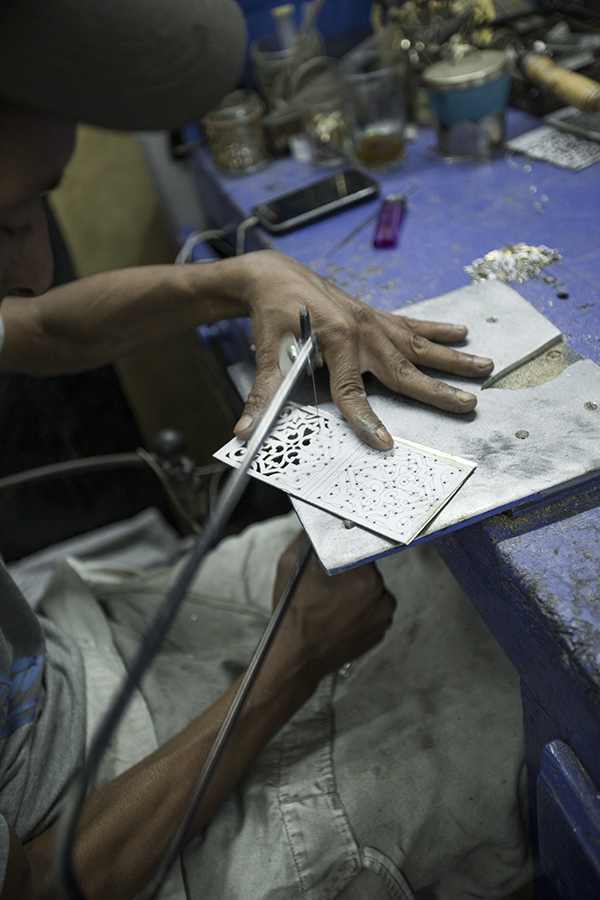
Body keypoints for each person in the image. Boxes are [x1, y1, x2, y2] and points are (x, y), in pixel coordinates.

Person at [0, 1, 531, 899]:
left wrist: (245, 276)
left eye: (33, 210)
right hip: (101, 840)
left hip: (70, 661)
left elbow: (38, 327)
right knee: (533, 707)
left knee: (435, 569)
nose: (36, 269)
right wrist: (289, 665)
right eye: (3, 226)